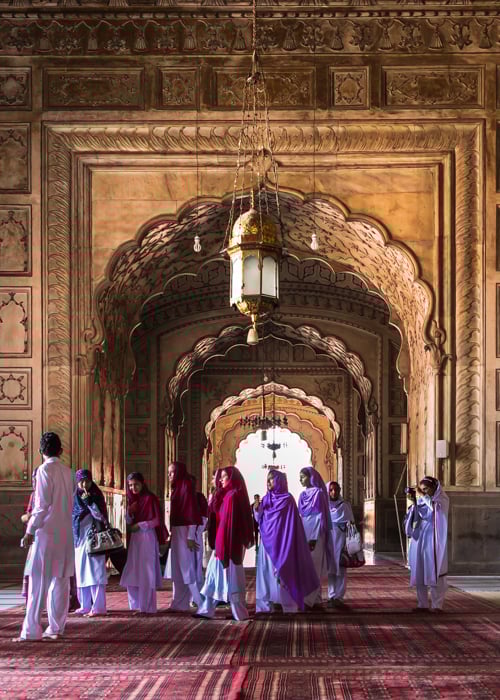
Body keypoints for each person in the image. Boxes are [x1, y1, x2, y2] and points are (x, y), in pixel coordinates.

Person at [13, 432, 75, 642]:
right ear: (61, 450)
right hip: (66, 533)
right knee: (61, 581)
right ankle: (56, 629)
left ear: (40, 451)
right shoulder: (68, 472)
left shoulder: (43, 470)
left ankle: (31, 630)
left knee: (38, 583)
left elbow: (41, 506)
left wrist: (30, 530)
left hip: (47, 534)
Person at [255, 470, 320, 614]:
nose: (269, 482)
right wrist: (256, 510)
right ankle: (271, 601)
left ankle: (287, 605)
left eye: (272, 479)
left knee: (283, 573)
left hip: (283, 544)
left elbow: (292, 524)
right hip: (267, 544)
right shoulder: (266, 499)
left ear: (279, 481)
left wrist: (289, 543)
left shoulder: (288, 500)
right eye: (268, 479)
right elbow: (259, 519)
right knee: (268, 574)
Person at [195, 466, 254, 621]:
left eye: (224, 476)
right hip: (222, 542)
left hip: (229, 545)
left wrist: (226, 547)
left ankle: (239, 613)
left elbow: (232, 524)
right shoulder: (225, 495)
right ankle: (206, 609)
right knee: (213, 576)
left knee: (231, 579)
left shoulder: (233, 496)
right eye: (220, 477)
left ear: (232, 478)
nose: (220, 480)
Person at [120, 472, 168, 614]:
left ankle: (147, 607)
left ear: (142, 483)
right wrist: (129, 511)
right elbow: (128, 521)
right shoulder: (130, 499)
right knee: (133, 571)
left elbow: (156, 521)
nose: (133, 488)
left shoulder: (150, 498)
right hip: (135, 540)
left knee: (146, 571)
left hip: (147, 537)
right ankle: (135, 605)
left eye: (136, 484)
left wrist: (140, 525)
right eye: (130, 485)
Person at [405, 475, 449, 613]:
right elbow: (417, 515)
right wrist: (413, 502)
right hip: (421, 539)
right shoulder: (423, 500)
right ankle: (422, 604)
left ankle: (437, 605)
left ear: (434, 488)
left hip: (434, 540)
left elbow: (435, 509)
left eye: (426, 489)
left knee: (436, 571)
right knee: (420, 570)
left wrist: (422, 496)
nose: (424, 492)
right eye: (422, 489)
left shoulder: (442, 499)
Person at [164, 462, 203, 612]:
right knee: (177, 569)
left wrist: (190, 536)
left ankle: (201, 603)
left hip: (184, 532)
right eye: (168, 473)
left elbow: (191, 511)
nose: (169, 476)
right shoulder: (177, 488)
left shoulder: (185, 486)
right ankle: (179, 603)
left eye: (172, 473)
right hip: (177, 531)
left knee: (186, 569)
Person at [72, 469, 108, 616]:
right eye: (81, 481)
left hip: (94, 538)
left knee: (95, 573)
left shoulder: (96, 495)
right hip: (79, 540)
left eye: (87, 480)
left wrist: (90, 503)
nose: (84, 484)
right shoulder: (75, 497)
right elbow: (72, 517)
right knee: (81, 573)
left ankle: (99, 607)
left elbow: (101, 517)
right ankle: (85, 605)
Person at [298, 466, 334, 605]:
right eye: (300, 476)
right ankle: (314, 597)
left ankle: (311, 598)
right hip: (304, 533)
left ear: (311, 477)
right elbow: (300, 516)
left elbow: (320, 517)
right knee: (306, 565)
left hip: (316, 534)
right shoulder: (302, 495)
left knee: (315, 564)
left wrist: (313, 537)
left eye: (303, 476)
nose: (300, 479)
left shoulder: (318, 494)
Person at [326, 481, 354, 609]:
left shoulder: (344, 505)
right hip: (329, 539)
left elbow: (350, 522)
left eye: (336, 490)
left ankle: (339, 597)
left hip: (341, 540)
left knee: (341, 568)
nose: (334, 492)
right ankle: (331, 595)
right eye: (331, 490)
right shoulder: (325, 506)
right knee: (331, 568)